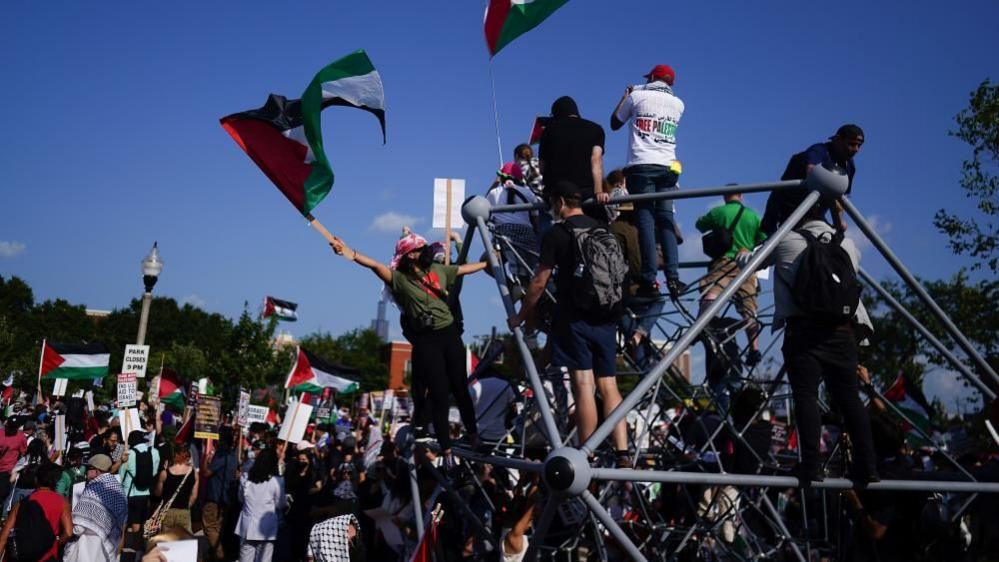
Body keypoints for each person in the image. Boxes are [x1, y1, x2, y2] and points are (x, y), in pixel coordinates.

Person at [329, 231, 488, 473]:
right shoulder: (399, 279)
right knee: (439, 393)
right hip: (426, 341)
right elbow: (373, 265)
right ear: (407, 255)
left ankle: (474, 436)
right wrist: (346, 251)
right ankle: (446, 451)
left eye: (421, 248)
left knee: (460, 387)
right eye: (415, 249)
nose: (419, 252)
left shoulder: (438, 269)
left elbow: (464, 269)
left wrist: (489, 262)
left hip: (449, 335)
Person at [751, 198, 878, 484]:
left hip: (804, 332)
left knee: (806, 396)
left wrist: (743, 255)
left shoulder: (785, 241)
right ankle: (868, 464)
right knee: (849, 399)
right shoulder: (846, 244)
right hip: (842, 331)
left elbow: (752, 264)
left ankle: (812, 464)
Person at [509, 180, 630, 463]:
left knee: (584, 383)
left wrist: (522, 315)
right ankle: (623, 449)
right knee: (609, 385)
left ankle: (586, 452)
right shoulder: (602, 228)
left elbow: (540, 282)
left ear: (560, 202)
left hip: (576, 316)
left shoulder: (557, 233)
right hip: (607, 315)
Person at [610, 64, 686, 299]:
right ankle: (673, 278)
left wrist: (625, 96)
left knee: (645, 222)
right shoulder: (679, 104)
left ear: (652, 77)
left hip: (641, 167)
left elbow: (615, 123)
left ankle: (649, 278)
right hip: (668, 167)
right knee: (666, 220)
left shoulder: (636, 96)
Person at [695, 192, 766, 366]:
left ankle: (699, 328)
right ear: (740, 196)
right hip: (746, 265)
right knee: (749, 307)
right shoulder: (753, 216)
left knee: (711, 293)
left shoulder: (719, 212)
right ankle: (754, 348)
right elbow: (763, 237)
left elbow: (700, 225)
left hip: (723, 262)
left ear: (725, 197)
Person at [761, 124, 865, 235]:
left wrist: (839, 225)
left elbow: (840, 199)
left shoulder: (848, 167)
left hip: (814, 214)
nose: (856, 149)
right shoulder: (819, 151)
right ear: (838, 139)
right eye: (852, 144)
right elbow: (812, 172)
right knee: (767, 236)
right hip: (786, 206)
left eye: (859, 145)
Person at [538, 96, 609, 221]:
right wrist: (598, 192)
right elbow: (596, 160)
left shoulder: (548, 131)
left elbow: (542, 167)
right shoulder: (595, 129)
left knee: (551, 234)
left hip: (557, 196)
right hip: (586, 194)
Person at [0, 463, 73, 562]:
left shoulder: (22, 503)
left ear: (36, 480)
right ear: (55, 482)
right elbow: (68, 533)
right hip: (49, 556)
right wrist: (55, 543)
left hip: (23, 555)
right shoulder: (62, 502)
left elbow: (3, 537)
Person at [64, 453, 128, 562]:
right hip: (109, 545)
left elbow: (79, 527)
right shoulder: (118, 488)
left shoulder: (93, 489)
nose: (86, 471)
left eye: (89, 468)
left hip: (89, 547)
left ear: (97, 471)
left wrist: (68, 535)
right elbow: (123, 521)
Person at [486, 162, 542, 283]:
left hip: (503, 235)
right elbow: (535, 219)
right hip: (527, 233)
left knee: (487, 263)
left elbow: (482, 206)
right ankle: (523, 289)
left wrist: (495, 183)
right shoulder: (528, 193)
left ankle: (511, 285)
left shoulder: (494, 193)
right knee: (529, 270)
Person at [236, 448, 287, 562]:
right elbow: (280, 504)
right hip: (266, 528)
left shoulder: (246, 478)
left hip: (247, 526)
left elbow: (240, 498)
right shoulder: (277, 481)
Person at [203, 428, 238, 561]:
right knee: (217, 527)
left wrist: (206, 460)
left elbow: (207, 473)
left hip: (215, 498)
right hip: (225, 499)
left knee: (209, 526)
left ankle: (219, 554)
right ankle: (214, 555)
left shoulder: (221, 455)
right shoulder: (233, 456)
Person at [119, 429, 160, 536]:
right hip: (145, 492)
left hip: (129, 492)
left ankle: (121, 549)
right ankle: (139, 549)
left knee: (124, 525)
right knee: (140, 522)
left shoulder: (128, 454)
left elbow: (121, 474)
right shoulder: (154, 452)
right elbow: (154, 472)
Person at [152, 446, 198, 533]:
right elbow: (194, 496)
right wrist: (187, 506)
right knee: (184, 541)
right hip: (184, 511)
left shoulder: (165, 473)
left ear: (175, 456)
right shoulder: (194, 473)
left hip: (167, 512)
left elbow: (158, 493)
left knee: (167, 542)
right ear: (187, 457)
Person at [0, 418, 28, 513]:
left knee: (3, 493)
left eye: (13, 427)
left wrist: (17, 470)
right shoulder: (1, 433)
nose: (10, 429)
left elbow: (24, 454)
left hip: (7, 470)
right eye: (9, 427)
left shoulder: (21, 437)